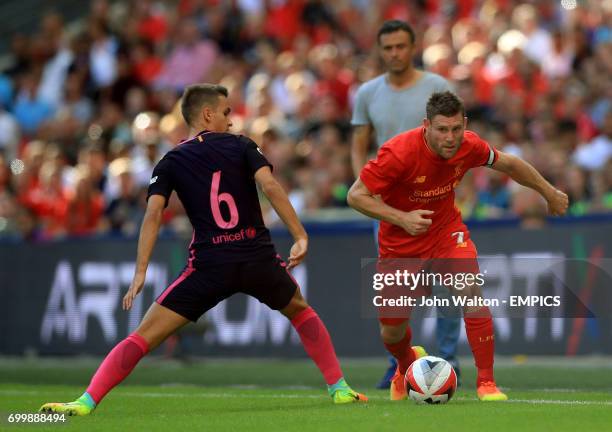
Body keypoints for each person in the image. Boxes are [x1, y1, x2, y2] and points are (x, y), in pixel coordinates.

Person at [40, 84, 367, 416]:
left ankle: (85, 402)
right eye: (226, 112)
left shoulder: (171, 160)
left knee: (144, 336)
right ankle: (339, 388)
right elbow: (270, 185)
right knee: (300, 311)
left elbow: (153, 214)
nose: (231, 119)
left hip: (210, 265)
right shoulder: (242, 145)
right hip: (256, 257)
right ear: (208, 114)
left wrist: (141, 271)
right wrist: (300, 234)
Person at [347, 91, 568, 401]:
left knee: (470, 293)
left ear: (464, 125)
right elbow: (356, 196)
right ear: (426, 125)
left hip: (446, 233)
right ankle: (406, 363)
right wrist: (402, 218)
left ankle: (487, 383)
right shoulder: (398, 153)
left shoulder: (469, 145)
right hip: (399, 245)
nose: (450, 138)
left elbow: (510, 165)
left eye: (455, 129)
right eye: (441, 129)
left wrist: (549, 191)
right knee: (391, 331)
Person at [350, 19, 461, 388]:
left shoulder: (436, 87)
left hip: (434, 203)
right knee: (397, 289)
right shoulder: (367, 93)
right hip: (389, 208)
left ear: (413, 48)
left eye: (401, 46)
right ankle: (399, 364)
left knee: (448, 283)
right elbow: (359, 146)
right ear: (380, 51)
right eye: (388, 47)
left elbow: (455, 142)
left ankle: (448, 361)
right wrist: (369, 190)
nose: (394, 53)